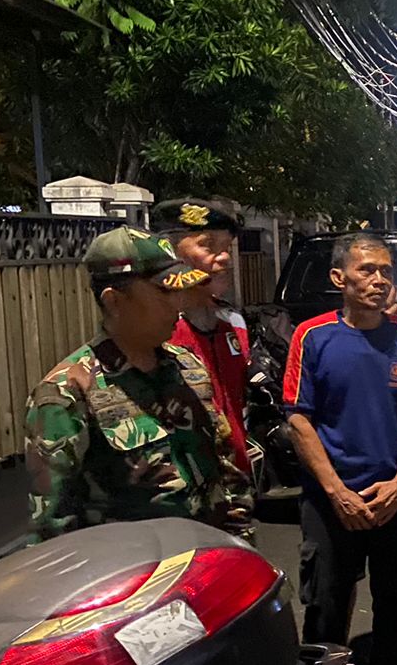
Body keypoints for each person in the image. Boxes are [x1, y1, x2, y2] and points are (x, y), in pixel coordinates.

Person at [282, 233, 397, 665]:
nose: (379, 280)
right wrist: (336, 492)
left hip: (395, 498)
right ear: (339, 278)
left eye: (386, 271)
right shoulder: (312, 336)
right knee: (326, 601)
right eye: (367, 270)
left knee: (395, 600)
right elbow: (298, 419)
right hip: (332, 500)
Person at [26, 227, 251, 540]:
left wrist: (241, 544)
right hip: (136, 564)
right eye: (165, 293)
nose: (178, 304)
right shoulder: (67, 394)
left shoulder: (188, 366)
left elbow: (224, 469)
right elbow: (54, 528)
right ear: (114, 301)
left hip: (210, 556)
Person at [154, 196, 251, 473]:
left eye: (227, 248)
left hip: (236, 481)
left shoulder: (233, 323)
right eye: (208, 245)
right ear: (171, 252)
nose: (225, 258)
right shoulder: (158, 331)